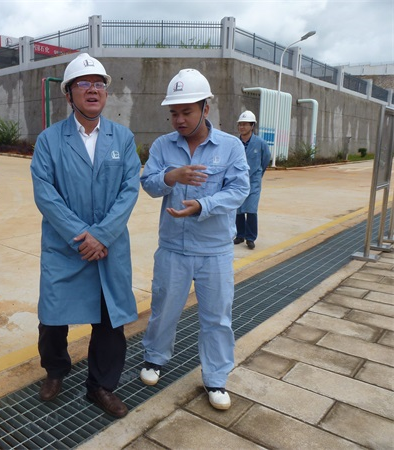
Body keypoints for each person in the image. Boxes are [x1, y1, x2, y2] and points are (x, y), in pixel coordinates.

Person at [30, 53, 141, 418]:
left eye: (99, 84)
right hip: (66, 247)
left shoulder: (122, 138)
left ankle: (101, 386)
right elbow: (45, 192)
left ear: (105, 93)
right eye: (83, 84)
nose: (93, 90)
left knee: (109, 320)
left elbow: (129, 189)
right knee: (53, 317)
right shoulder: (49, 140)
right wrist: (81, 235)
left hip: (108, 247)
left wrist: (103, 235)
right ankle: (56, 370)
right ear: (68, 94)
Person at [139, 69, 250, 411]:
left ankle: (216, 378)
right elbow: (148, 183)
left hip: (214, 251)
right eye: (174, 113)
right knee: (164, 309)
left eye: (186, 111)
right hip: (173, 247)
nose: (179, 120)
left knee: (217, 317)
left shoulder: (230, 147)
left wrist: (204, 205)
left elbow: (240, 189)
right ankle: (155, 358)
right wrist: (171, 176)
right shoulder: (163, 146)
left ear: (206, 108)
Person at [233, 110, 271, 250]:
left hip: (253, 181)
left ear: (252, 126)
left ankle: (250, 238)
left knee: (251, 209)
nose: (242, 127)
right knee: (238, 209)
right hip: (237, 180)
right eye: (240, 124)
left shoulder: (260, 143)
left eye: (245, 124)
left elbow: (265, 159)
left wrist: (259, 173)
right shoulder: (235, 142)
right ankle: (240, 235)